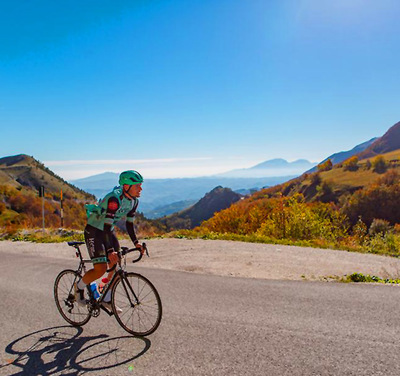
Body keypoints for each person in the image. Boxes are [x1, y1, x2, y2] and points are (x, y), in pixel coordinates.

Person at [75, 170, 144, 311]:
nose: (140, 189)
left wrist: (136, 243)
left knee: (116, 264)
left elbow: (129, 224)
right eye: (137, 186)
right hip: (94, 231)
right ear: (126, 187)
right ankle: (79, 287)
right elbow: (106, 226)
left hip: (108, 230)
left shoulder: (134, 202)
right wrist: (110, 250)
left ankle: (106, 298)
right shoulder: (114, 199)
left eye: (140, 185)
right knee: (100, 269)